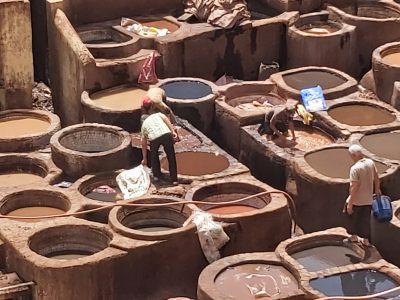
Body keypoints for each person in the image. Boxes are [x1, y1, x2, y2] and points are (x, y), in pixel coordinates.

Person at [343, 144, 381, 244]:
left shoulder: (355, 168)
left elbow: (354, 187)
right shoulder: (370, 162)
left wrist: (350, 203)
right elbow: (377, 177)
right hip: (368, 199)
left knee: (350, 217)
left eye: (350, 155)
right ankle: (366, 240)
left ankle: (353, 237)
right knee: (365, 221)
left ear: (354, 155)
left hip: (357, 200)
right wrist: (377, 189)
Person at [140, 98, 178, 184]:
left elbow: (143, 143)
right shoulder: (159, 115)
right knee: (171, 157)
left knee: (154, 156)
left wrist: (144, 158)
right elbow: (167, 120)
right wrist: (173, 132)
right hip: (166, 133)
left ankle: (157, 176)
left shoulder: (144, 124)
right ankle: (174, 179)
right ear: (153, 107)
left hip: (154, 137)